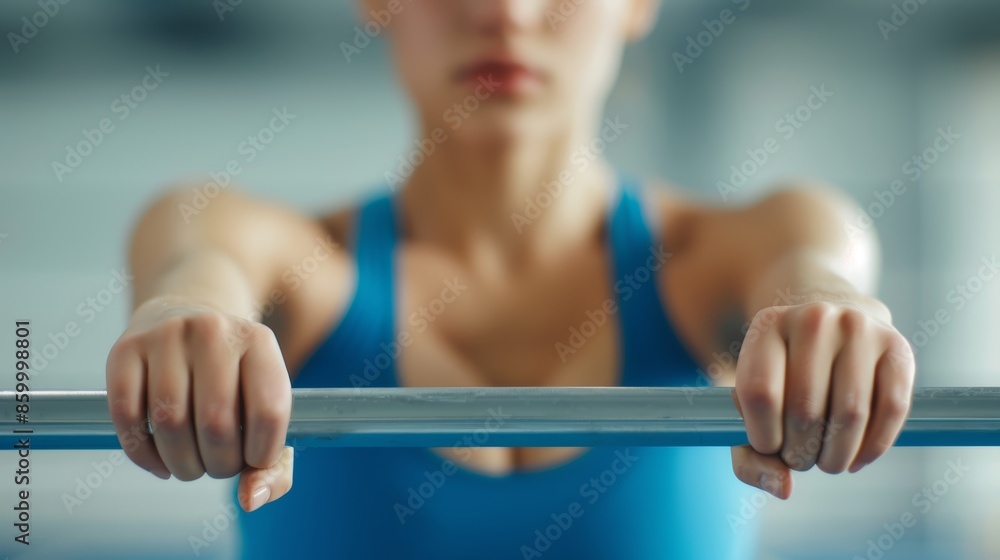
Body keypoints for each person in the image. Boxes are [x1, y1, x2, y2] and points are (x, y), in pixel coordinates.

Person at [104, 1, 916, 558]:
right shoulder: (280, 254)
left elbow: (814, 264)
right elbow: (194, 256)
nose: (508, 11)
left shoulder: (734, 252)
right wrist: (188, 310)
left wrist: (830, 311)